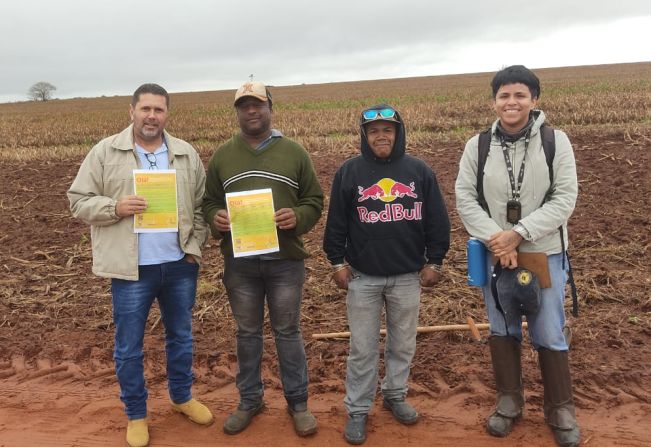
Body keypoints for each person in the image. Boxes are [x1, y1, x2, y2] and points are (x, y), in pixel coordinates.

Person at [67, 83, 213, 447]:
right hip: (132, 270)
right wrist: (114, 208)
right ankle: (136, 414)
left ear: (167, 114)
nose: (152, 116)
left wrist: (193, 250)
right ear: (131, 111)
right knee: (129, 346)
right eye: (145, 109)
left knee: (180, 336)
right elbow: (77, 200)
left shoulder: (184, 153)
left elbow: (200, 206)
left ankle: (181, 398)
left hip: (179, 264)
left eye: (159, 110)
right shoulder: (106, 152)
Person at [455, 65, 581, 447]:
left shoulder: (556, 142)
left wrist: (517, 235)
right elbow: (465, 198)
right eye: (504, 95)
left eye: (520, 95)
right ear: (494, 101)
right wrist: (498, 240)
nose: (512, 102)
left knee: (547, 329)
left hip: (545, 254)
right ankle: (509, 402)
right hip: (496, 255)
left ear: (534, 100)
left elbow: (564, 199)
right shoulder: (476, 146)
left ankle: (560, 409)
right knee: (503, 327)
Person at [323, 104, 451, 445]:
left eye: (388, 130)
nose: (382, 136)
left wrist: (434, 261)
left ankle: (395, 395)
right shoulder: (349, 172)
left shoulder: (418, 171)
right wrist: (337, 262)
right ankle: (358, 408)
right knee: (362, 348)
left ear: (398, 133)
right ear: (365, 136)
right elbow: (335, 222)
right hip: (363, 277)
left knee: (403, 343)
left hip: (408, 275)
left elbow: (437, 220)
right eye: (374, 131)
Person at [202, 81, 323, 437]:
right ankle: (250, 400)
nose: (251, 111)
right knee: (247, 333)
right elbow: (209, 201)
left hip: (285, 261)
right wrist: (216, 218)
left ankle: (298, 403)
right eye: (244, 106)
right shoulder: (223, 155)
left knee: (288, 332)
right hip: (240, 264)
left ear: (270, 107)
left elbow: (314, 200)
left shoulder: (294, 153)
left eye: (258, 104)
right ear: (237, 112)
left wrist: (297, 218)